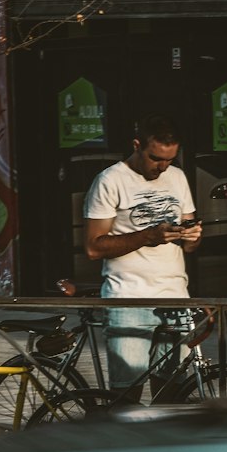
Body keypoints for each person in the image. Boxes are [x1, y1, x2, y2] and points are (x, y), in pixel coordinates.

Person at [83, 113, 202, 401]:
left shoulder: (178, 177)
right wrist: (147, 237)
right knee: (127, 396)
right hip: (129, 298)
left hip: (175, 296)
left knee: (174, 392)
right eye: (155, 158)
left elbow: (190, 242)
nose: (162, 167)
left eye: (169, 160)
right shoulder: (110, 180)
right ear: (137, 145)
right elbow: (93, 247)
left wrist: (192, 237)